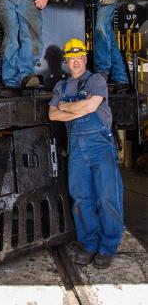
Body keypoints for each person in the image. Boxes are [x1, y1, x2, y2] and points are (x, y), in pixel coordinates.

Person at [49, 38, 123, 269]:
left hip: (100, 146)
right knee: (81, 199)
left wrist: (65, 107)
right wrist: (75, 108)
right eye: (72, 58)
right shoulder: (60, 87)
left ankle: (107, 247)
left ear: (85, 58)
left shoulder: (96, 80)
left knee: (107, 198)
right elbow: (52, 115)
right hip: (77, 150)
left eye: (79, 57)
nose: (76, 61)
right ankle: (90, 244)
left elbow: (91, 107)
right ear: (67, 61)